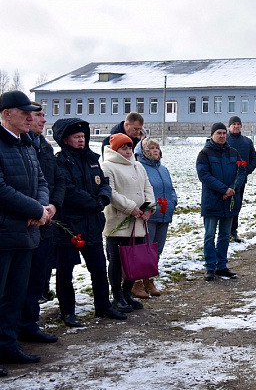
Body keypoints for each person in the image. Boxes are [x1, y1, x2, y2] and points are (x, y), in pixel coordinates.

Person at [53, 118, 127, 327]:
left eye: (83, 137)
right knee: (65, 271)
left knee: (98, 267)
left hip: (92, 223)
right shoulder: (60, 162)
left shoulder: (92, 159)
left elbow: (104, 182)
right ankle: (68, 311)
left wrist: (103, 198)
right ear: (65, 139)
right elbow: (67, 190)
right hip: (69, 225)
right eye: (76, 137)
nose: (81, 140)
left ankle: (103, 305)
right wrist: (94, 202)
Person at [0, 91, 50, 374]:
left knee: (15, 295)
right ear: (7, 114)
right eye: (24, 112)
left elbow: (41, 180)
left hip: (26, 233)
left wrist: (41, 208)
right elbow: (1, 189)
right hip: (4, 233)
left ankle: (7, 345)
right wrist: (34, 210)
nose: (31, 117)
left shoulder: (27, 145)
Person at [18, 102, 66, 345]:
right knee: (17, 282)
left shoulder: (45, 147)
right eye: (37, 115)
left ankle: (29, 324)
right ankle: (11, 330)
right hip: (21, 222)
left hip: (45, 222)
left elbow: (57, 180)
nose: (43, 120)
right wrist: (34, 209)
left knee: (37, 278)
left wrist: (51, 207)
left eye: (42, 115)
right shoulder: (18, 144)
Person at [101, 133, 155, 311]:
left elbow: (148, 186)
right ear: (116, 149)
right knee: (117, 261)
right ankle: (116, 295)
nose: (127, 151)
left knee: (135, 260)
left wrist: (149, 208)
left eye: (130, 147)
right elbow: (111, 192)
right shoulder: (107, 166)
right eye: (123, 148)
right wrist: (130, 207)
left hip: (138, 221)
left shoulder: (138, 165)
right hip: (119, 222)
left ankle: (127, 292)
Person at [196, 123, 245, 281]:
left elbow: (241, 173)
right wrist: (223, 189)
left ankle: (221, 266)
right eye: (219, 133)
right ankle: (210, 266)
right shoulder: (205, 153)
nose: (222, 136)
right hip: (212, 201)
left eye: (224, 133)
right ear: (212, 135)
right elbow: (204, 175)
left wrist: (232, 189)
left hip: (229, 201)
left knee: (224, 235)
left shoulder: (234, 153)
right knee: (210, 235)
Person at [134, 137, 177, 296]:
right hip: (149, 216)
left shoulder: (163, 169)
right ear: (143, 151)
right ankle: (137, 282)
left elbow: (170, 188)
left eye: (157, 148)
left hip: (164, 215)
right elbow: (141, 191)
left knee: (157, 251)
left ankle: (149, 280)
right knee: (145, 250)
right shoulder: (139, 168)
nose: (155, 151)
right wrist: (148, 208)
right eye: (151, 148)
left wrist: (173, 201)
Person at [225, 116, 256, 242]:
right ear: (229, 126)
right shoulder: (225, 139)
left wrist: (246, 171)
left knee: (236, 205)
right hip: (225, 180)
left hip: (240, 180)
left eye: (238, 124)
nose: (236, 126)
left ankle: (233, 230)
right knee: (225, 205)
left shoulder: (247, 142)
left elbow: (254, 158)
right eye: (234, 124)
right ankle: (224, 231)